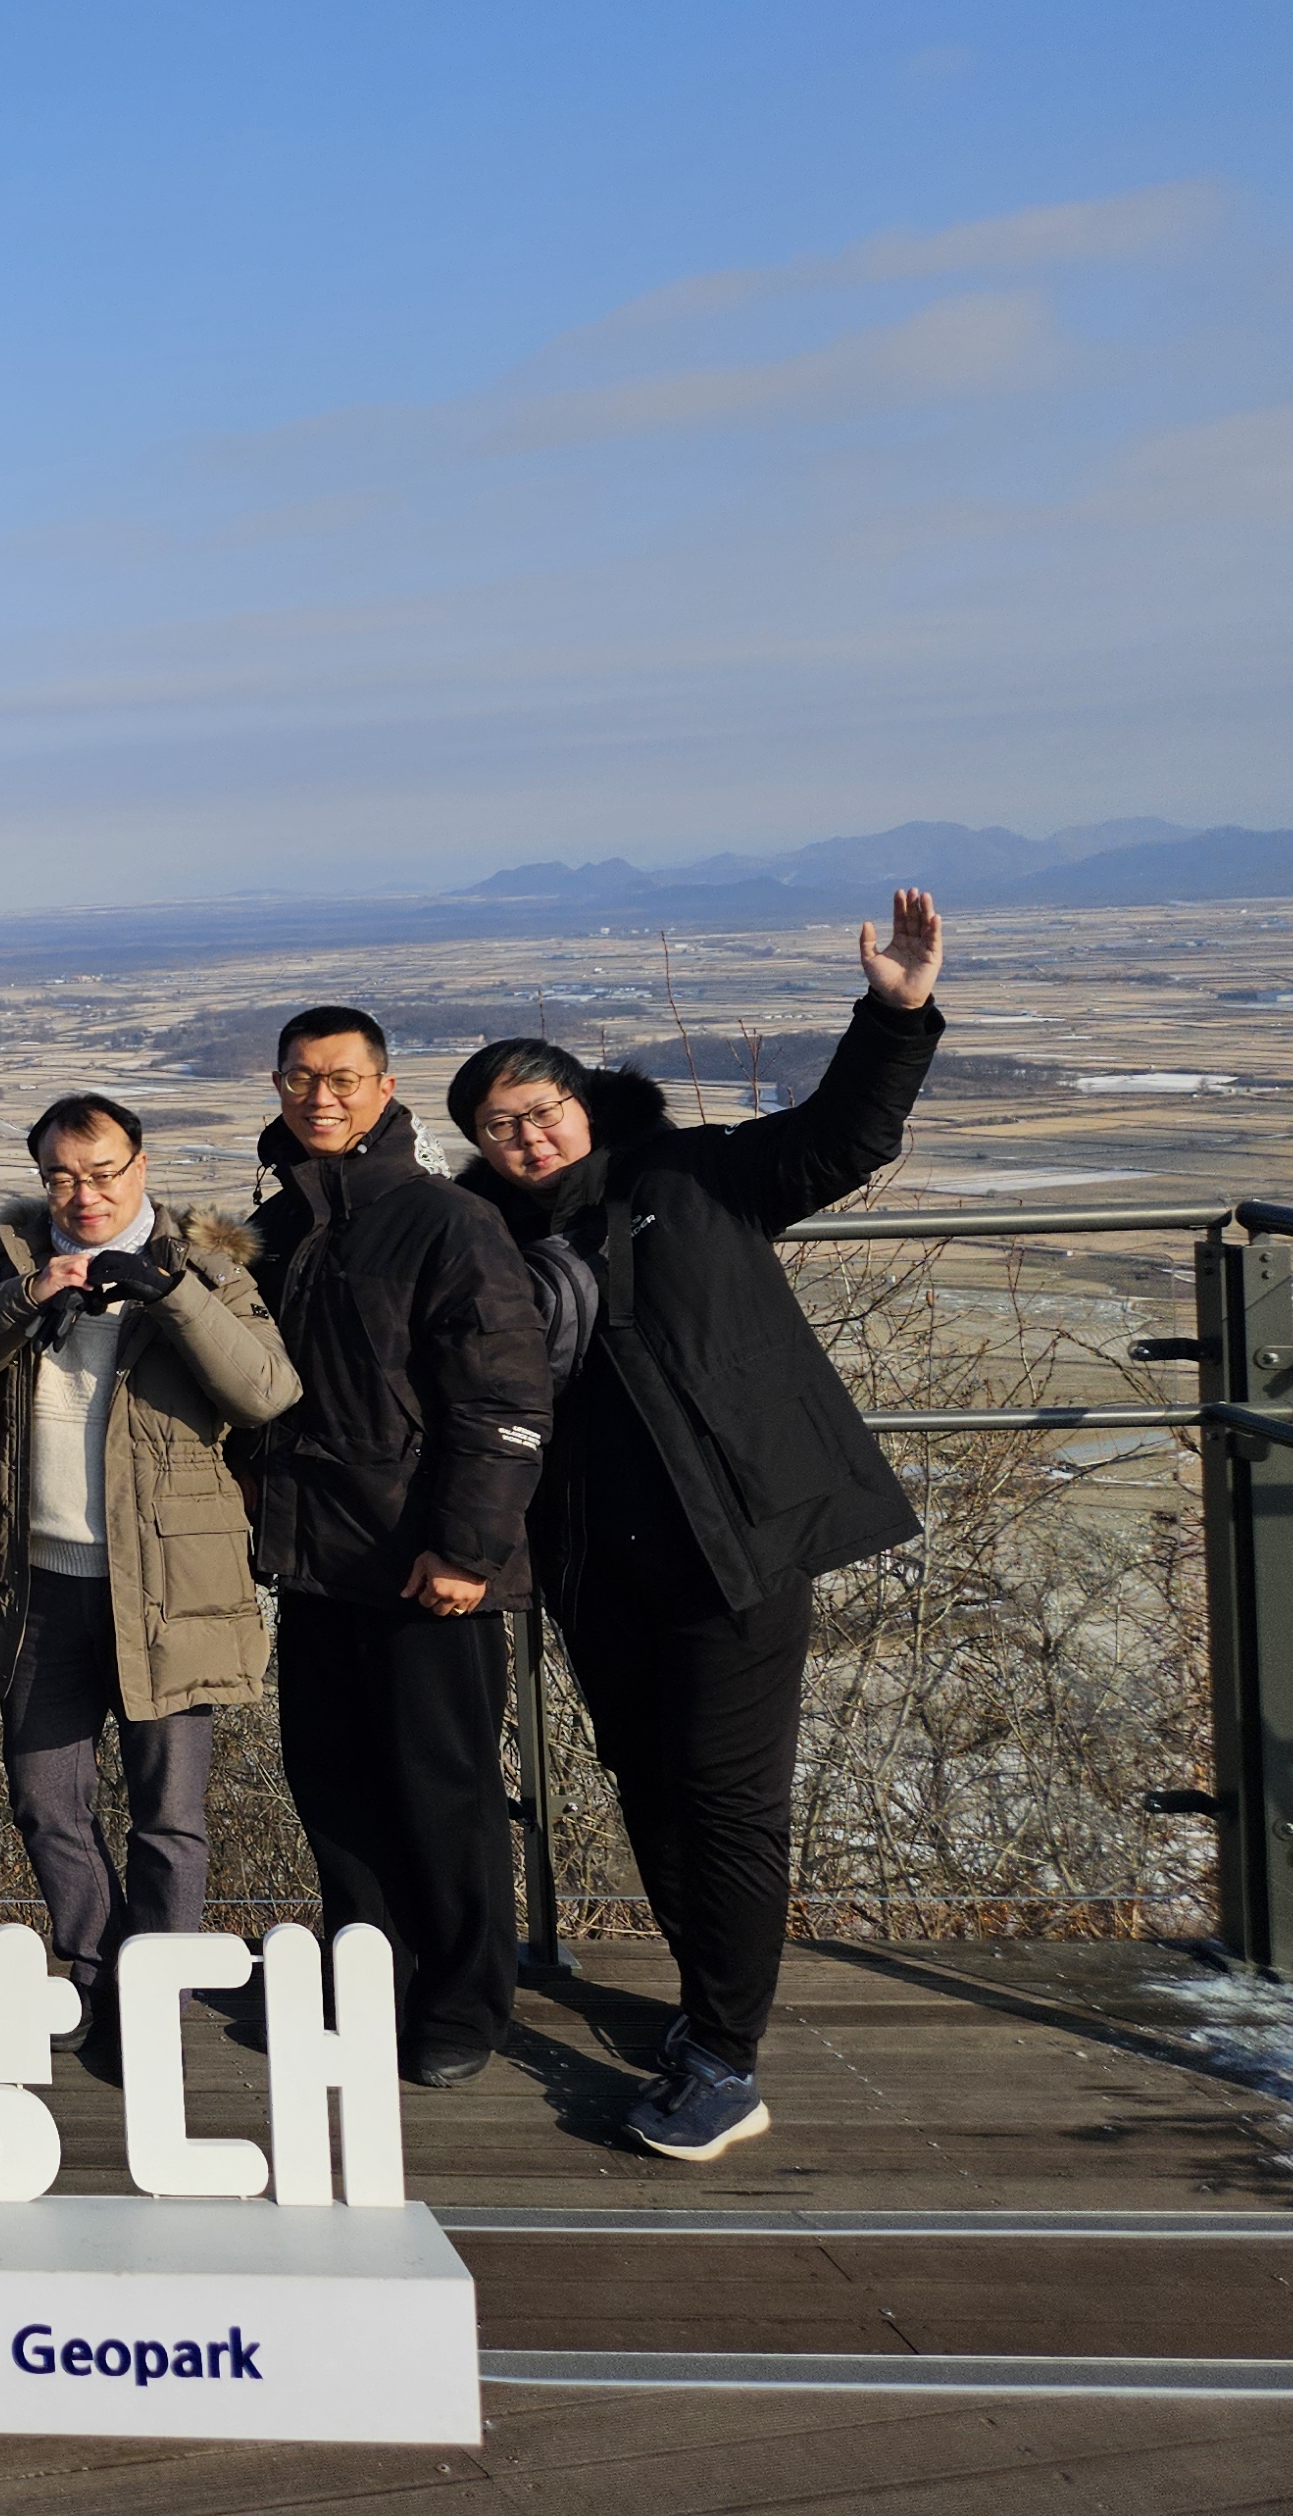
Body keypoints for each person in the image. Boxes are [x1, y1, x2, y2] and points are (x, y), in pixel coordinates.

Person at [449, 890, 950, 2162]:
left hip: (732, 1545)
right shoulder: (484, 1246)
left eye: (541, 1110)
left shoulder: (687, 1176)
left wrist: (894, 1017)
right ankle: (703, 2008)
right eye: (498, 1126)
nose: (527, 1136)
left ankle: (726, 2057)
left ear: (583, 1105)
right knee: (652, 1791)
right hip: (591, 1563)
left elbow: (840, 1141)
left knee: (725, 1800)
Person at [0, 1094, 300, 2045]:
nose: (85, 1194)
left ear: (141, 1167)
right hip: (40, 1576)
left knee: (169, 1811)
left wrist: (170, 1293)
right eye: (62, 1176)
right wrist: (30, 1296)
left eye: (103, 1173)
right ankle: (95, 1973)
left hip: (169, 1585)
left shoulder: (205, 1264)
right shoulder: (14, 1264)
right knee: (45, 1801)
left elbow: (266, 1391)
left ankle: (162, 1999)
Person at [247, 1003, 553, 2087]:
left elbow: (503, 1398)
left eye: (341, 1078)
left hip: (426, 1566)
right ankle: (371, 1985)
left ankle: (464, 2004)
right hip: (317, 1558)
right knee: (332, 1786)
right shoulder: (278, 1227)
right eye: (300, 1078)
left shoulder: (444, 1221)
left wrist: (467, 1548)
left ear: (384, 1088)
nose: (319, 1097)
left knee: (443, 1789)